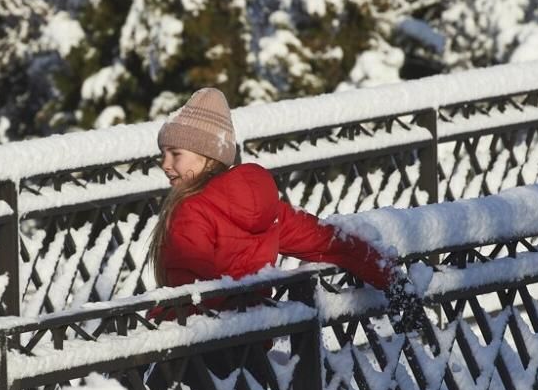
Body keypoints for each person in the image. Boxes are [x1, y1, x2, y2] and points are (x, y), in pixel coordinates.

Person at [149, 87, 396, 308]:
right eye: (163, 154)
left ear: (208, 156)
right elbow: (328, 242)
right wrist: (392, 279)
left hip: (202, 349)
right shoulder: (264, 207)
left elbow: (189, 297)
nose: (165, 164)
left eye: (175, 154)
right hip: (254, 339)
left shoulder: (191, 211)